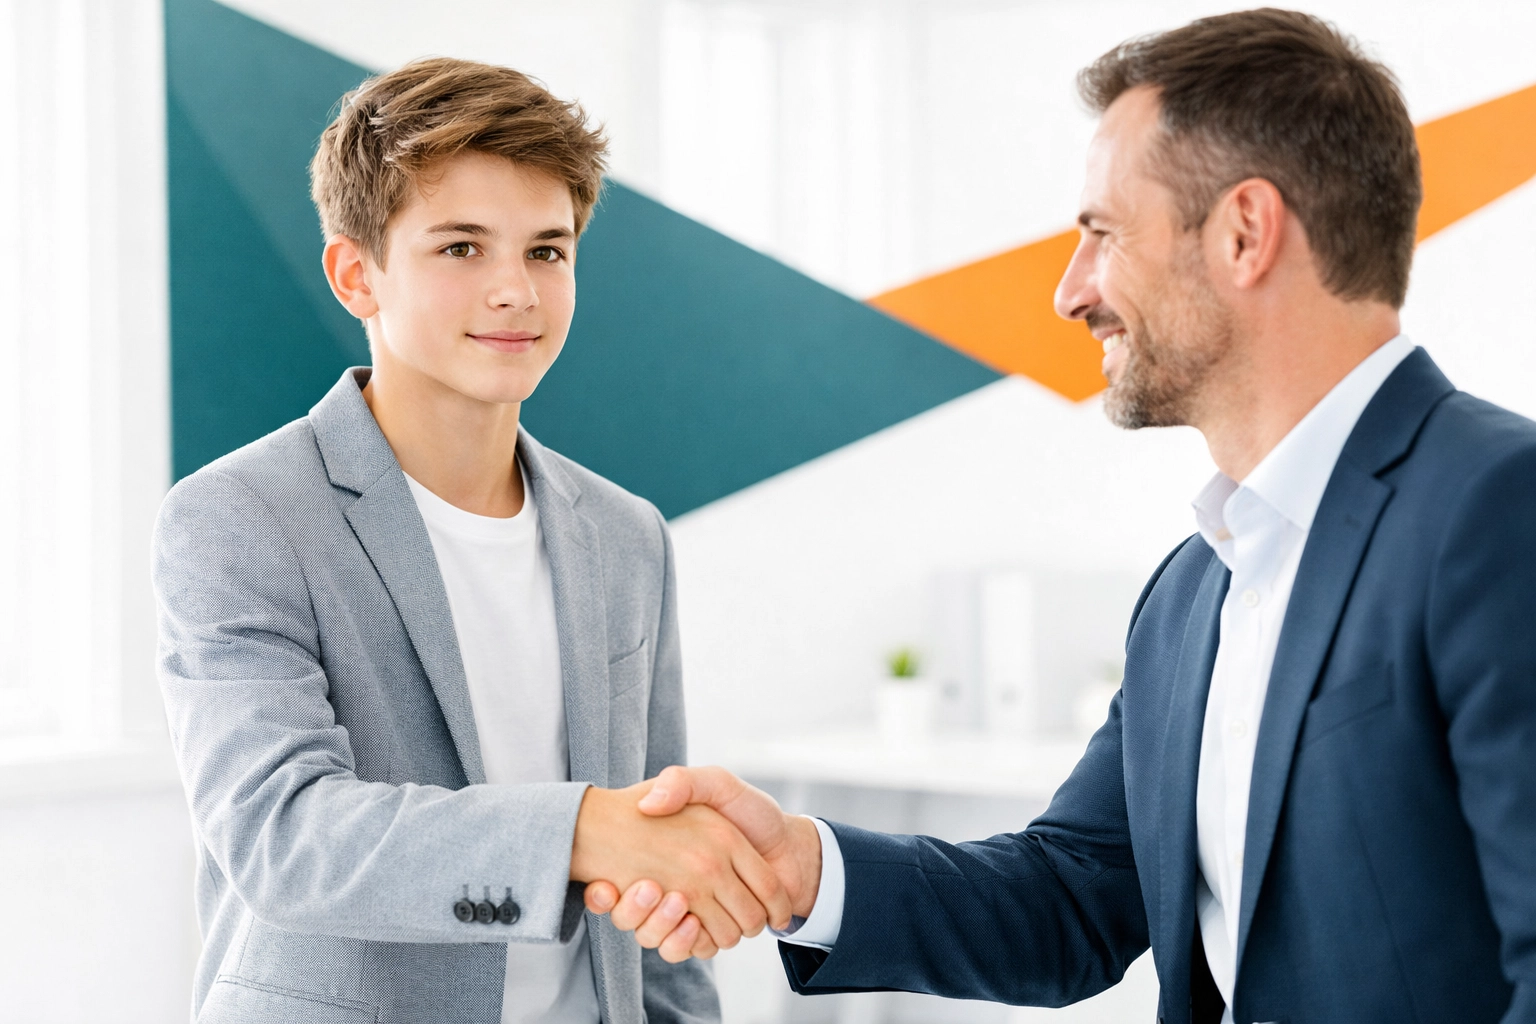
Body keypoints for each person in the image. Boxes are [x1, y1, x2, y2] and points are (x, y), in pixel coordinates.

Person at [585, 10, 1536, 1023]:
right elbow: (1072, 896)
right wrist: (804, 872)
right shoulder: (1191, 591)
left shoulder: (1495, 511)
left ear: (1245, 233)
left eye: (1101, 233)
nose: (1068, 291)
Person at [152, 58, 789, 1024]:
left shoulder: (627, 537)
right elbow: (285, 838)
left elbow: (661, 893)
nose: (515, 293)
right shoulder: (238, 516)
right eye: (461, 249)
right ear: (355, 273)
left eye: (546, 250)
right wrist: (581, 831)